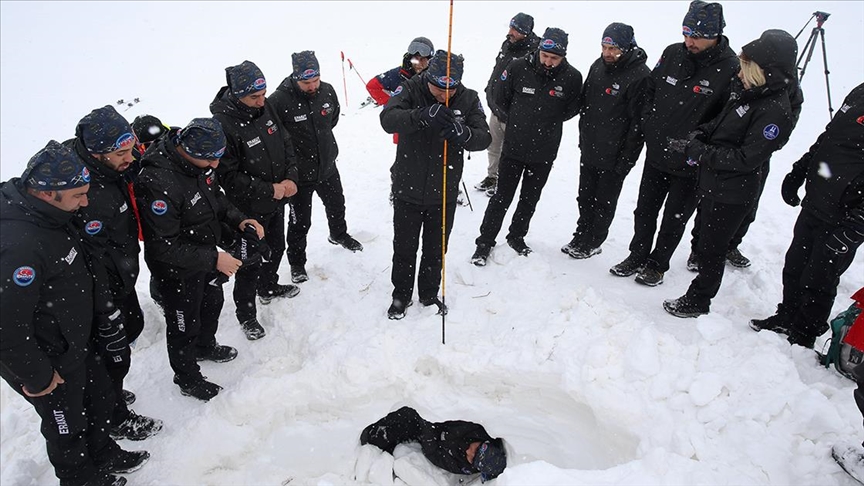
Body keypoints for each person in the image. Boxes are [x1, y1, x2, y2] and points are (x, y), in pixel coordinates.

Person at [1, 141, 150, 486]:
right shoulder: (18, 246)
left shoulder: (52, 214)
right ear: (47, 192)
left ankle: (102, 451)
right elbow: (5, 328)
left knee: (98, 400)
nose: (85, 202)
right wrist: (38, 376)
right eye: (78, 196)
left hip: (77, 340)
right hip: (49, 358)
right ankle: (79, 478)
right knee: (65, 423)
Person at [662, 29, 798, 318]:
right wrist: (699, 134)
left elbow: (747, 158)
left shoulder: (775, 111)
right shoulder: (750, 93)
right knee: (705, 243)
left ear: (764, 72)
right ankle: (699, 289)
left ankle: (699, 299)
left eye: (746, 70)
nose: (739, 75)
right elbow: (722, 124)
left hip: (733, 192)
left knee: (713, 250)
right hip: (715, 182)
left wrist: (701, 153)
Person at [609, 0, 738, 286]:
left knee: (674, 217)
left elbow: (725, 119)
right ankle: (637, 254)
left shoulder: (730, 67)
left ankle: (657, 264)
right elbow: (652, 89)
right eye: (686, 34)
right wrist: (649, 123)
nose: (689, 41)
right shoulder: (672, 53)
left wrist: (696, 141)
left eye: (696, 36)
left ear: (715, 35)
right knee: (644, 210)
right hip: (657, 151)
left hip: (691, 162)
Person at [135, 117, 265, 401]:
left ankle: (205, 346)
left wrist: (240, 220)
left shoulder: (201, 165)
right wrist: (214, 259)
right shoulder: (157, 182)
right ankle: (186, 377)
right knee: (183, 324)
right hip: (176, 270)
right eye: (210, 160)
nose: (216, 166)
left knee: (212, 302)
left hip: (205, 254)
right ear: (189, 152)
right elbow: (162, 248)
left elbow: (216, 199)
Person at [68, 105, 163, 441]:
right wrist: (104, 308)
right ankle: (113, 417)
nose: (131, 157)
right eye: (123, 153)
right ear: (96, 153)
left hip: (120, 276)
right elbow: (87, 260)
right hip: (96, 292)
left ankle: (108, 395)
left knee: (130, 330)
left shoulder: (112, 167)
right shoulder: (81, 193)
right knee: (111, 354)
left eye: (132, 148)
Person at [749, 82, 864, 347]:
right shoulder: (860, 92)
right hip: (816, 200)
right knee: (795, 265)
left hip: (845, 216)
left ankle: (805, 332)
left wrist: (857, 226)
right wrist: (800, 169)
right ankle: (787, 315)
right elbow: (829, 137)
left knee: (820, 277)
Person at [380, 49, 491, 319]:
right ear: (429, 77)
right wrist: (421, 116)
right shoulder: (410, 89)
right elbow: (388, 118)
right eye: (438, 89)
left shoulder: (468, 97)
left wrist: (462, 133)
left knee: (435, 248)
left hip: (444, 189)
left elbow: (484, 137)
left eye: (449, 90)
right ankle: (401, 294)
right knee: (404, 246)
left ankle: (429, 293)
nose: (444, 96)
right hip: (408, 184)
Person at [471, 27, 583, 265]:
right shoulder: (518, 67)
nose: (549, 62)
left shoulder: (572, 77)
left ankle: (517, 237)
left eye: (555, 58)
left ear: (563, 57)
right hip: (514, 147)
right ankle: (484, 242)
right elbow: (498, 98)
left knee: (529, 199)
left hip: (544, 151)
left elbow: (572, 109)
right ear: (539, 49)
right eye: (545, 56)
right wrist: (516, 120)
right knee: (502, 196)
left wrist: (546, 121)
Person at [210, 60, 300, 341]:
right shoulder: (223, 124)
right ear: (237, 95)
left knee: (276, 246)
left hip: (276, 198)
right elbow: (227, 176)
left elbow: (286, 143)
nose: (261, 101)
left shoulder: (265, 107)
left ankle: (269, 286)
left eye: (263, 95)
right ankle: (246, 315)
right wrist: (268, 189)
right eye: (254, 97)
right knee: (249, 261)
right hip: (247, 208)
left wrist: (291, 177)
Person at [269, 50, 363, 284]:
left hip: (328, 165)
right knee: (300, 221)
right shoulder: (278, 101)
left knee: (336, 203)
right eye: (306, 82)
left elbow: (333, 118)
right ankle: (297, 263)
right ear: (295, 77)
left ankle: (338, 234)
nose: (312, 86)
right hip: (298, 174)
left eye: (315, 80)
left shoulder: (327, 90)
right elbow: (273, 137)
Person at [561, 22, 650, 260]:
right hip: (590, 146)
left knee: (604, 201)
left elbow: (638, 125)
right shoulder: (598, 66)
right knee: (585, 196)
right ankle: (581, 233)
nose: (608, 53)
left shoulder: (640, 75)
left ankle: (593, 240)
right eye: (605, 46)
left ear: (628, 47)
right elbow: (586, 103)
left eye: (614, 49)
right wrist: (583, 137)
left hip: (616, 154)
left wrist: (626, 159)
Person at [474, 12, 540, 197]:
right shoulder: (507, 44)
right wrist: (490, 89)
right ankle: (492, 177)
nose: (510, 32)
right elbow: (498, 68)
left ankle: (503, 182)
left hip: (514, 114)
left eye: (515, 30)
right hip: (496, 108)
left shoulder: (533, 53)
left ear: (525, 33)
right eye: (510, 27)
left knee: (509, 151)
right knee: (493, 147)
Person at [360, 406, 507, 483]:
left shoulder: (462, 466)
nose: (469, 453)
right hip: (434, 415)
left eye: (472, 459)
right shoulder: (476, 430)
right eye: (475, 450)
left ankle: (373, 439)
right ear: (484, 443)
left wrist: (428, 432)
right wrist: (432, 417)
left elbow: (433, 454)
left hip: (424, 431)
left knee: (394, 429)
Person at [367, 37, 435, 108]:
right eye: (415, 60)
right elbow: (372, 86)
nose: (418, 64)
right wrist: (392, 104)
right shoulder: (399, 74)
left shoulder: (435, 76)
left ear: (429, 60)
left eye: (423, 60)